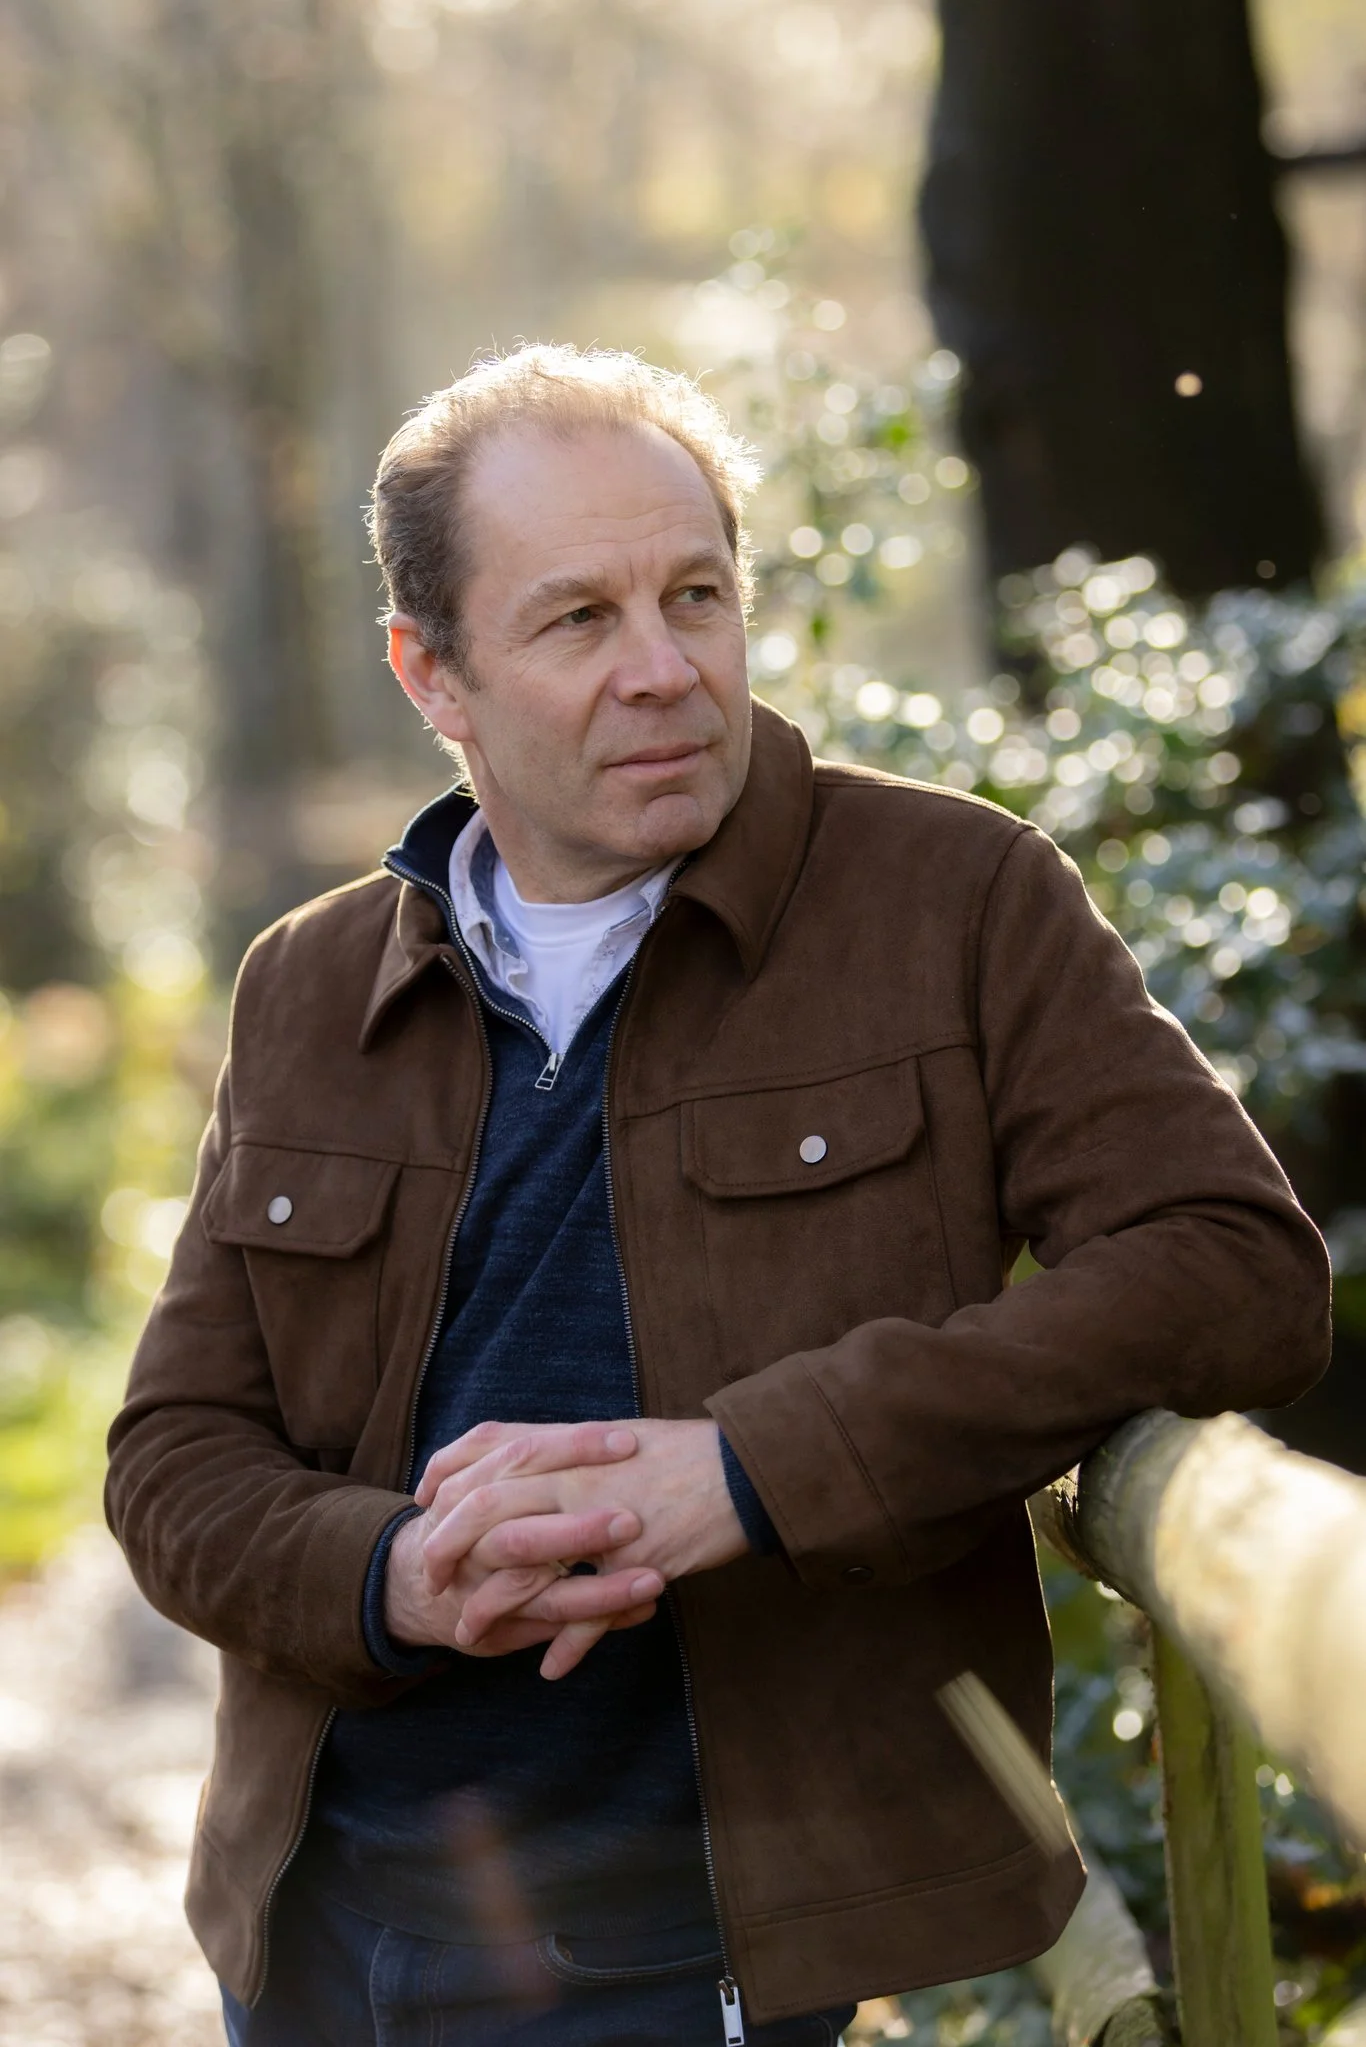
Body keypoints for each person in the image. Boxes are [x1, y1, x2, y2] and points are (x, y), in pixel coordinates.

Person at [106, 344, 1331, 2047]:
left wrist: (756, 1468)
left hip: (698, 1943)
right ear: (430, 673)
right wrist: (388, 1572)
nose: (666, 670)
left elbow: (1234, 1272)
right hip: (312, 1931)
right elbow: (171, 1460)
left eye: (696, 595)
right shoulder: (306, 985)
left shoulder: (952, 899)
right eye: (578, 621)